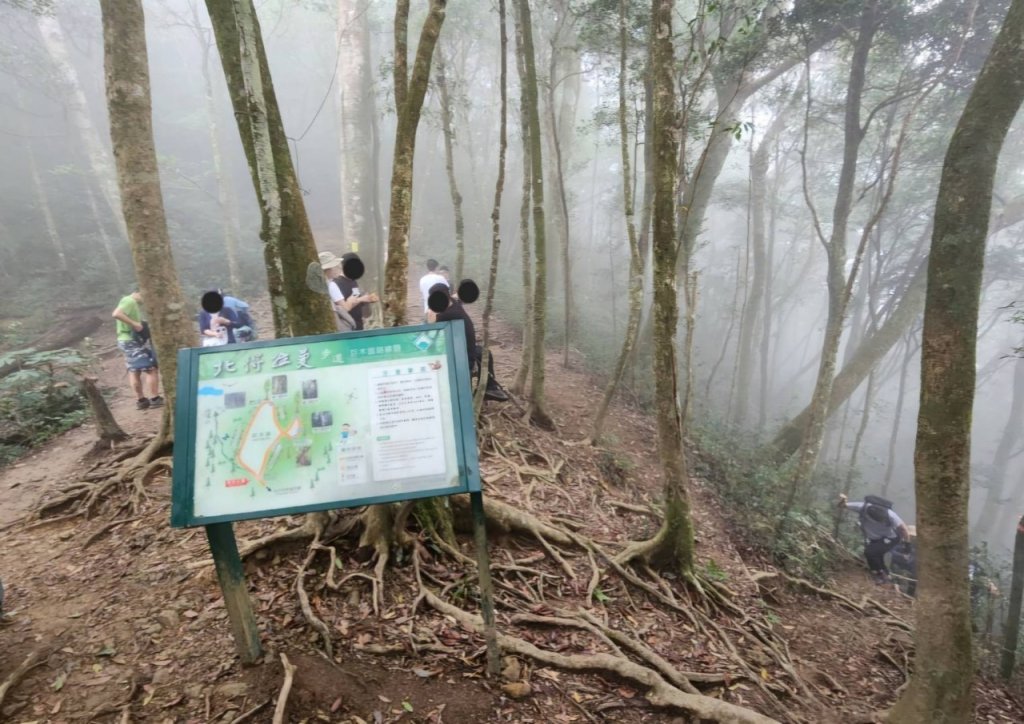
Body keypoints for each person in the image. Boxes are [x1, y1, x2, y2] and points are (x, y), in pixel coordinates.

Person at [426, 283, 508, 402]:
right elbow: (456, 297)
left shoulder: (447, 315)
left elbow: (430, 335)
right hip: (468, 349)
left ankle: (482, 392)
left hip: (464, 358)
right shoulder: (454, 303)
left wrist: (431, 321)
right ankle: (490, 386)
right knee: (484, 352)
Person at [838, 494, 911, 584]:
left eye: (882, 521)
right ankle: (886, 575)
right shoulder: (862, 507)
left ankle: (879, 575)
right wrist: (843, 500)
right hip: (876, 539)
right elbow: (842, 506)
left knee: (870, 552)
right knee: (877, 555)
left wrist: (907, 548)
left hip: (891, 538)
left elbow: (904, 529)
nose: (881, 522)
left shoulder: (890, 515)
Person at [112, 291, 162, 410]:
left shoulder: (131, 303)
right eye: (144, 296)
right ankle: (155, 398)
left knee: (134, 370)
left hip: (125, 340)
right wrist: (135, 324)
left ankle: (141, 400)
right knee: (151, 369)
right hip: (131, 340)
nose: (144, 300)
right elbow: (116, 314)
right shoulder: (130, 300)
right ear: (137, 292)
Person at [320, 251, 377, 331]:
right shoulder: (334, 284)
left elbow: (354, 300)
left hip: (357, 324)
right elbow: (344, 308)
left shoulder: (353, 281)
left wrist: (365, 300)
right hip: (345, 327)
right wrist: (360, 299)